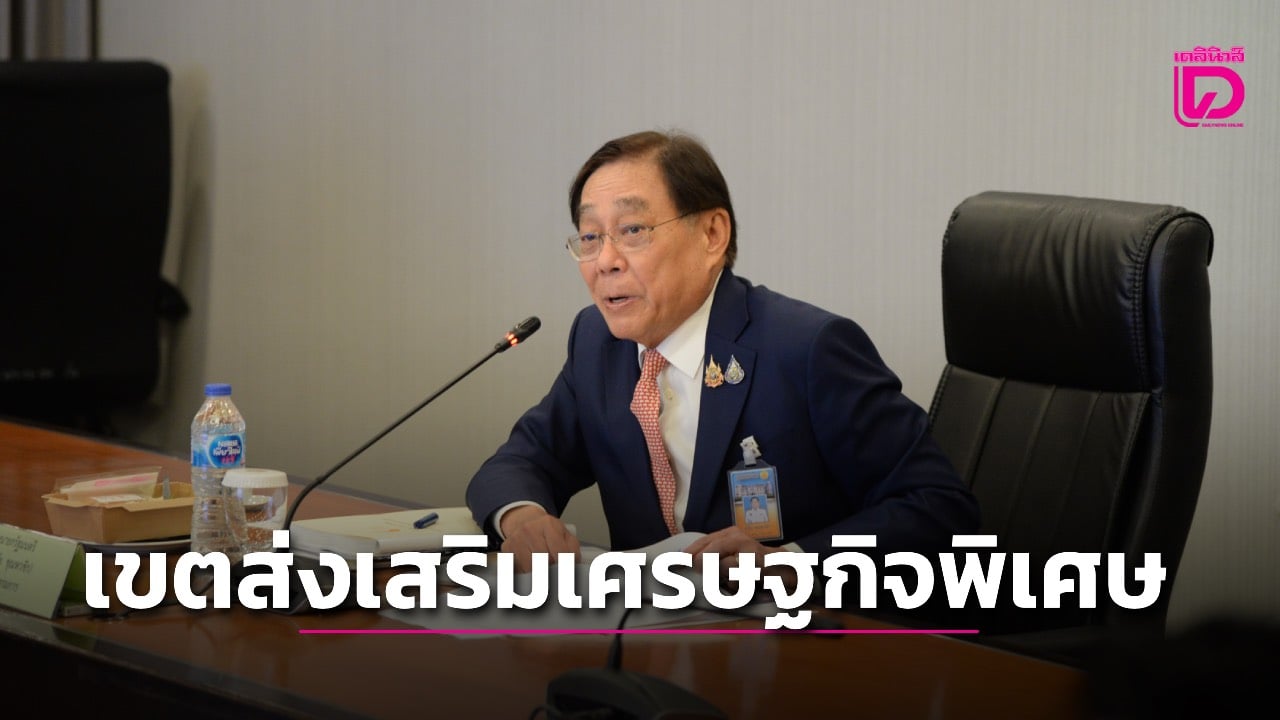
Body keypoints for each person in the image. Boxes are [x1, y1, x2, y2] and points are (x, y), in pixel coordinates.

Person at [466, 129, 978, 581]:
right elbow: (521, 461)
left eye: (632, 230)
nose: (605, 261)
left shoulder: (807, 349)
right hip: (651, 635)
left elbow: (940, 510)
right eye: (590, 237)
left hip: (801, 634)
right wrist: (523, 517)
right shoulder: (597, 342)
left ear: (712, 235)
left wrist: (791, 564)